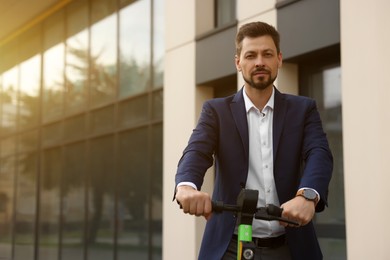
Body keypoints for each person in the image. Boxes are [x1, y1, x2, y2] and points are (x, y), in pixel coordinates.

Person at [174, 21, 333, 260]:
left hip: (290, 246)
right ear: (238, 62)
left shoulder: (304, 109)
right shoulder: (216, 111)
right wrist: (186, 187)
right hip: (229, 246)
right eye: (251, 55)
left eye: (267, 54)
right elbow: (197, 151)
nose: (259, 61)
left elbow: (319, 153)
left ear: (279, 59)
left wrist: (307, 196)